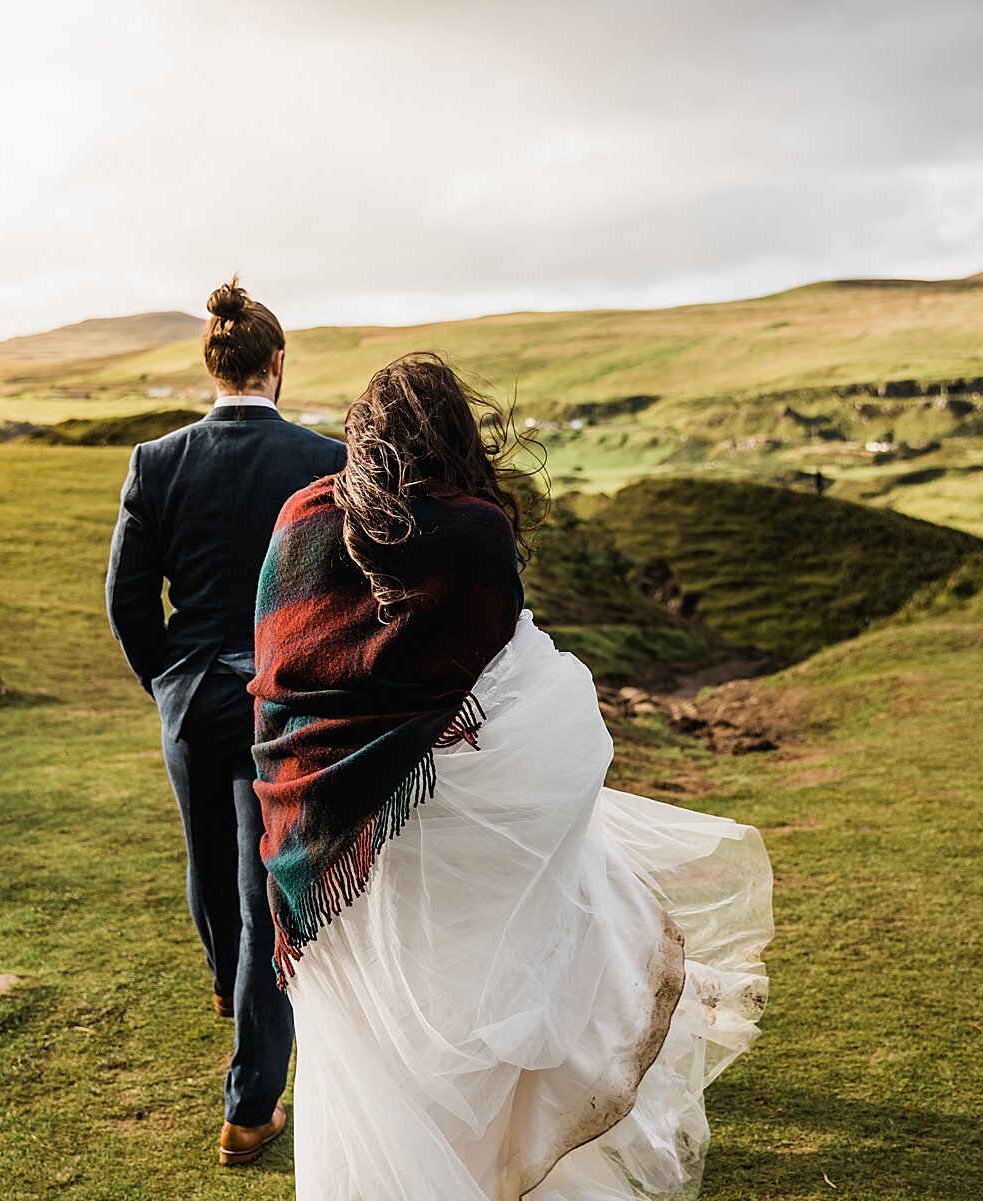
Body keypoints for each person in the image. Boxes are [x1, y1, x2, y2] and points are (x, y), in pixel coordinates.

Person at [250, 353, 773, 1200]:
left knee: (384, 1028)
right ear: (457, 433)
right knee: (473, 999)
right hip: (451, 819)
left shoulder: (298, 518)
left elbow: (280, 676)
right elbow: (515, 680)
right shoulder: (474, 527)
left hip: (324, 829)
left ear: (361, 430)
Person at [105, 277, 346, 1166]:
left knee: (207, 856)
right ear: (277, 364)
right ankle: (249, 1108)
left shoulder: (155, 461)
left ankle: (225, 987)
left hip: (193, 691)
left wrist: (168, 678)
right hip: (282, 699)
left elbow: (127, 597)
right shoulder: (323, 456)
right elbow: (342, 586)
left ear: (212, 364)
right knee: (262, 893)